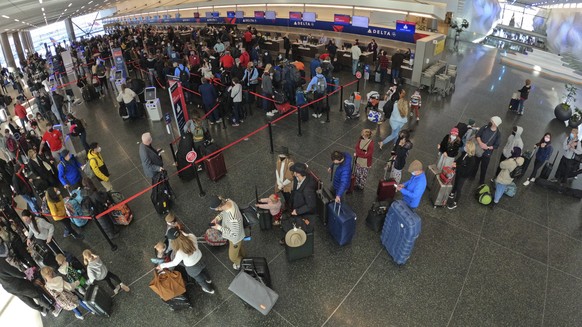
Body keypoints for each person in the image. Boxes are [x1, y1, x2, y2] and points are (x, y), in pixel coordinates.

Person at [157, 228, 215, 294]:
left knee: (200, 280)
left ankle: (210, 290)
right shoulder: (191, 236)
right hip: (201, 259)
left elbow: (174, 263)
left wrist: (162, 265)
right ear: (180, 232)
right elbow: (186, 235)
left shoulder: (180, 252)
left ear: (173, 241)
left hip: (192, 267)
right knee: (204, 270)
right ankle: (208, 280)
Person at [209, 196, 245, 270]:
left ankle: (244, 264)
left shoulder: (233, 218)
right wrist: (217, 218)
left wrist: (219, 227)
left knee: (233, 257)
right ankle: (244, 256)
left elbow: (234, 234)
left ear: (219, 207)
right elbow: (223, 212)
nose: (216, 210)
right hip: (238, 234)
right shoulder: (228, 201)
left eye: (215, 209)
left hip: (235, 239)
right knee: (240, 248)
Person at [472, 116, 502, 185]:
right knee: (475, 164)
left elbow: (496, 146)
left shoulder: (498, 134)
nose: (490, 121)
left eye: (492, 121)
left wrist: (487, 147)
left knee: (484, 167)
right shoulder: (485, 127)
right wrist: (481, 143)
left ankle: (481, 181)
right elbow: (478, 135)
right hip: (479, 150)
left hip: (487, 154)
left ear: (495, 124)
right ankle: (472, 176)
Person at [448, 141, 477, 210]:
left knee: (459, 188)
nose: (464, 147)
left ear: (469, 148)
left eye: (466, 146)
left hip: (463, 175)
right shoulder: (464, 153)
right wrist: (455, 163)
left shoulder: (472, 160)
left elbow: (467, 170)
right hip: (459, 172)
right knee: (455, 183)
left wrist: (457, 167)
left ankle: (455, 202)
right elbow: (459, 160)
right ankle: (452, 193)